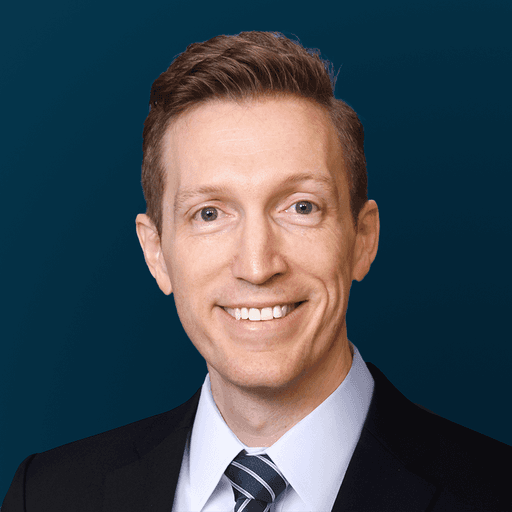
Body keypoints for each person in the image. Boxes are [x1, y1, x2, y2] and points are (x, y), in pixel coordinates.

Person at [3, 31, 511, 512]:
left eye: (301, 207)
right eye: (209, 213)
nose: (257, 266)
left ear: (362, 238)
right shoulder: (46, 495)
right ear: (156, 252)